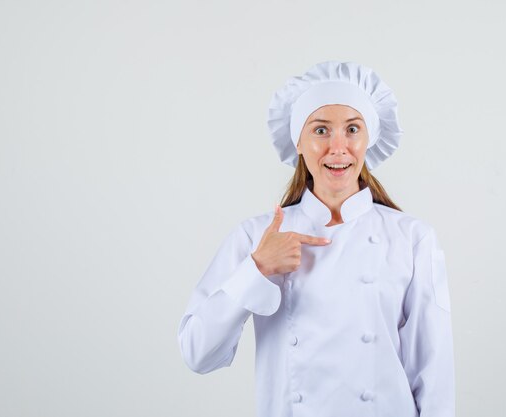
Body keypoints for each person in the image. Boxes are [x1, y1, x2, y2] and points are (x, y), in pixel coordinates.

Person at [177, 61, 455, 417]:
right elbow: (197, 353)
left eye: (352, 129)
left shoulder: (413, 238)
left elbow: (434, 374)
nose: (338, 147)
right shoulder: (256, 237)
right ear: (298, 141)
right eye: (321, 130)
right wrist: (257, 269)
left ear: (368, 137)